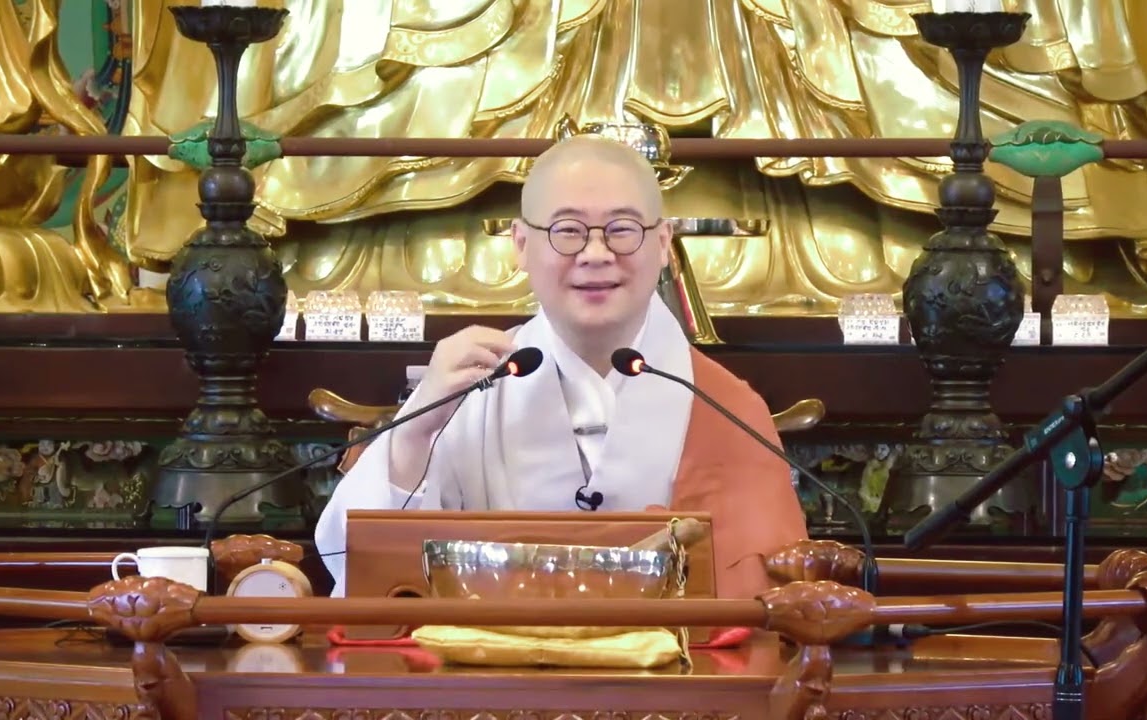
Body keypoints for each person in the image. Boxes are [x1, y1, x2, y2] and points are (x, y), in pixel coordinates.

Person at [315, 135, 808, 599]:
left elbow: (771, 591)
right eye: (567, 230)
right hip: (495, 659)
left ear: (663, 243)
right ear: (521, 244)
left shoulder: (726, 406)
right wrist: (415, 429)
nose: (595, 254)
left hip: (673, 661)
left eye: (622, 229)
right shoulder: (468, 388)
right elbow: (354, 560)